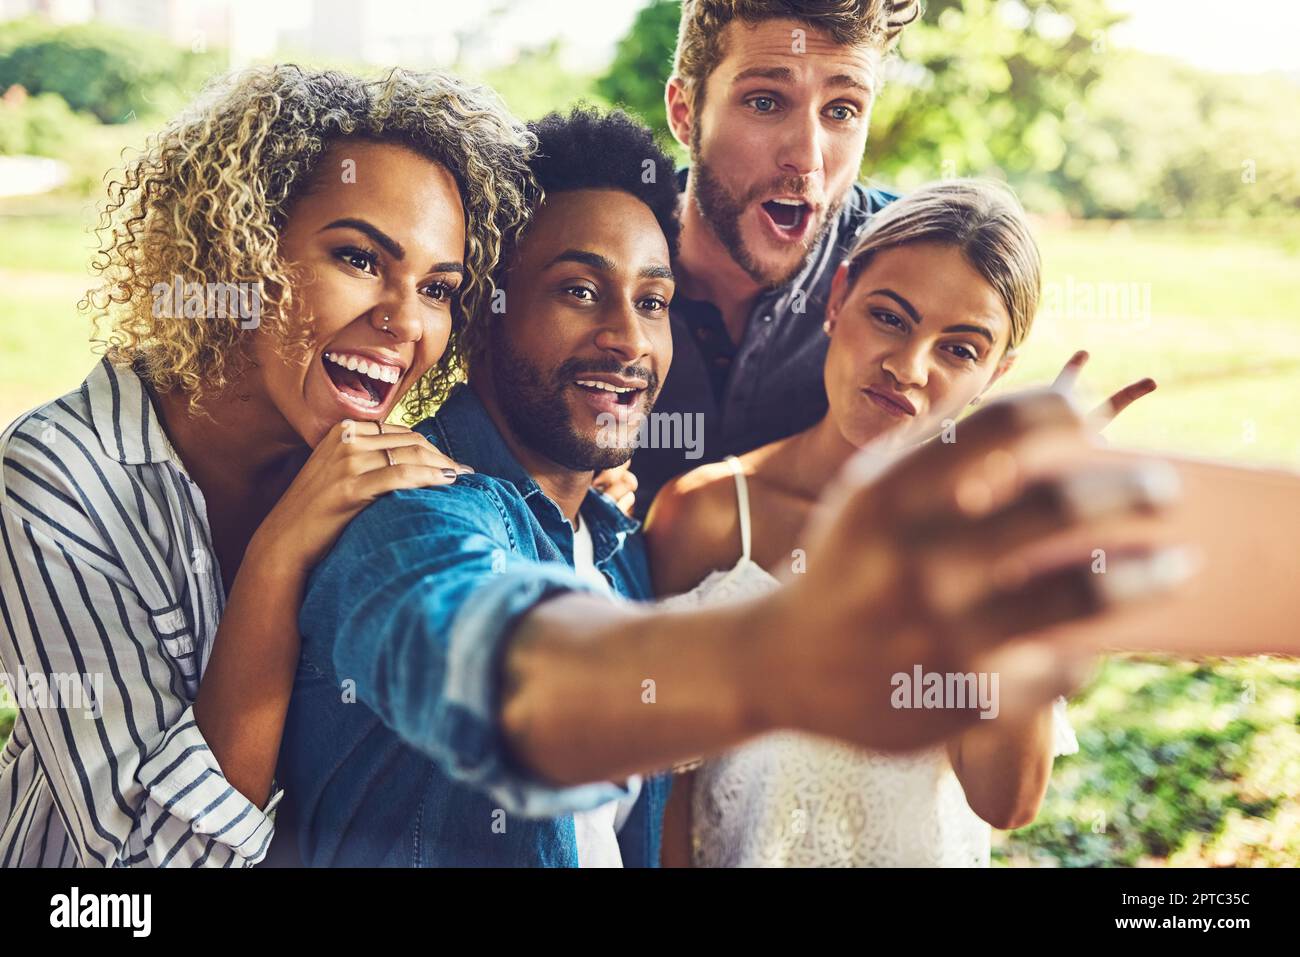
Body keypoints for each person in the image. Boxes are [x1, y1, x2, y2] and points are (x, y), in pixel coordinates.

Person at [280, 110, 1185, 867]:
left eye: (654, 300)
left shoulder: (615, 540)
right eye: (577, 290)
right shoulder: (409, 512)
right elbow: (503, 665)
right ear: (482, 312)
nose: (630, 340)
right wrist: (786, 654)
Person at [0, 65, 534, 867]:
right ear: (238, 253)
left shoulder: (374, 476)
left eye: (437, 288)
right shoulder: (55, 476)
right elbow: (149, 868)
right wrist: (277, 557)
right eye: (358, 258)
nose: (403, 320)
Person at [647, 180, 1116, 867]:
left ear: (996, 374)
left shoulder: (984, 544)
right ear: (837, 300)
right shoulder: (711, 515)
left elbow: (1006, 802)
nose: (907, 367)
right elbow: (666, 785)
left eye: (959, 349)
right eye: (891, 317)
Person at [630, 0, 922, 512]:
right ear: (684, 112)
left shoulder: (910, 260)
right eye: (765, 102)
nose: (806, 157)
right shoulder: (589, 255)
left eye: (841, 110)